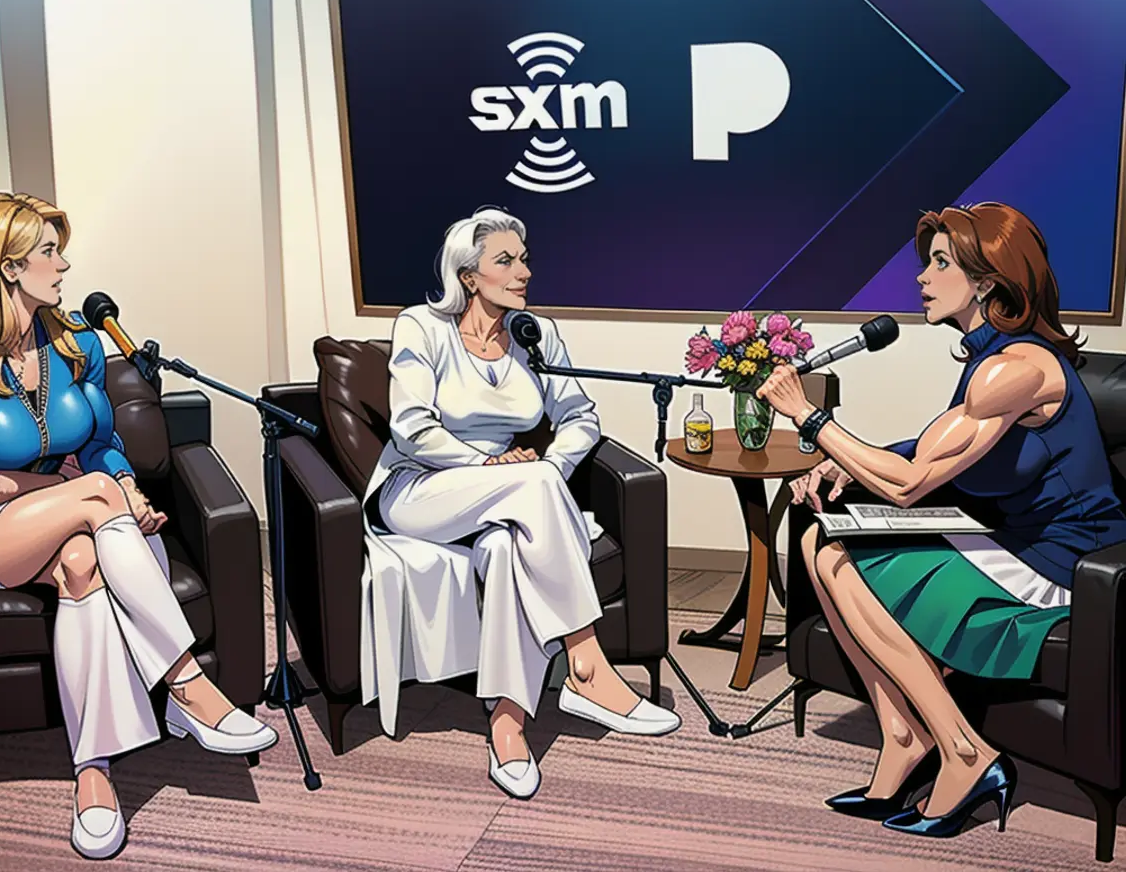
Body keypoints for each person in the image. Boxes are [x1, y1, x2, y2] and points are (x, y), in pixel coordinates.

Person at [757, 201, 1126, 839]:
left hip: (1068, 566)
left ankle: (964, 752)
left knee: (838, 554)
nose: (922, 278)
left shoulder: (1017, 369)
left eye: (939, 263)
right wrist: (846, 466)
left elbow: (911, 484)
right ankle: (902, 736)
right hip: (1012, 540)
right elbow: (927, 448)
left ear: (986, 281)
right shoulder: (989, 361)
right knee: (822, 539)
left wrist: (809, 420)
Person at [0, 193, 278, 860]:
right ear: (6, 267)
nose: (65, 264)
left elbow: (102, 445)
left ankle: (94, 776)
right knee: (91, 501)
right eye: (48, 252)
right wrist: (82, 489)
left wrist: (126, 489)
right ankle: (187, 687)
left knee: (83, 561)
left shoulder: (76, 344)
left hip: (74, 515)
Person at [359, 206, 680, 800]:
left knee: (508, 546)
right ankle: (586, 663)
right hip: (423, 488)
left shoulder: (536, 333)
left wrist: (550, 470)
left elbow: (581, 416)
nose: (523, 271)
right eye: (504, 261)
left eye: (524, 259)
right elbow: (410, 427)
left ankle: (508, 728)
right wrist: (488, 466)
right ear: (468, 275)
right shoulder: (421, 328)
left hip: (509, 496)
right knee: (526, 486)